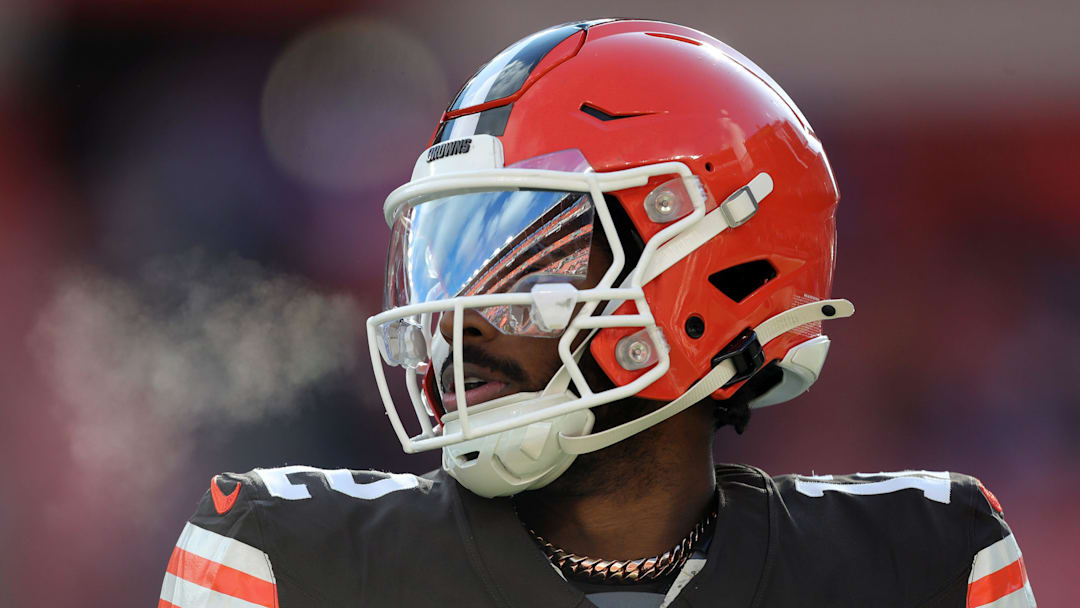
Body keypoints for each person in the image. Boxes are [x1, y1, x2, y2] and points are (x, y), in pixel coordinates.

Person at [159, 19, 1035, 608]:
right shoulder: (286, 560)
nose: (457, 315)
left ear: (709, 266)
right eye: (447, 259)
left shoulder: (923, 561)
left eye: (524, 255)